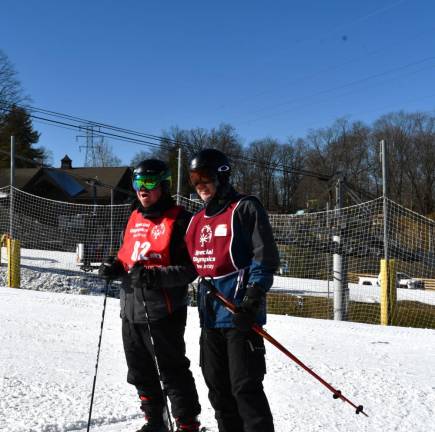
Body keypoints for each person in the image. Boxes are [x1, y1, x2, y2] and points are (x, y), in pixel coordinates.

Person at [98, 159, 201, 432]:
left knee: (171, 371)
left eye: (150, 182)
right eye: (138, 182)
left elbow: (191, 269)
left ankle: (187, 424)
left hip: (162, 309)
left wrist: (155, 276)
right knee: (139, 370)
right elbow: (128, 256)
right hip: (130, 307)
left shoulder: (180, 219)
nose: (143, 189)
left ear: (164, 185)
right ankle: (155, 421)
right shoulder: (134, 214)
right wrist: (114, 265)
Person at [184, 148, 279, 432]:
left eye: (205, 177)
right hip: (210, 316)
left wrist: (252, 298)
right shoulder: (196, 220)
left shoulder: (245, 207)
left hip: (239, 314)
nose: (200, 184)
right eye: (194, 178)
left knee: (245, 389)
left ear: (222, 176)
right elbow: (190, 266)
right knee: (218, 390)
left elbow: (265, 257)